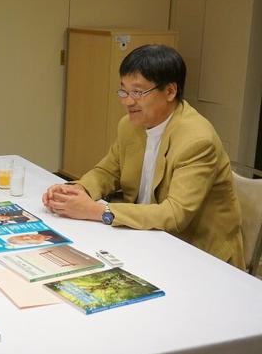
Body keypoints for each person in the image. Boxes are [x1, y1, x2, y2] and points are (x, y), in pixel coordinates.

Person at [43, 44, 245, 269]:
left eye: (138, 92)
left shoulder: (197, 140)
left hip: (197, 255)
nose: (127, 101)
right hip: (146, 240)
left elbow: (175, 215)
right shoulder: (130, 125)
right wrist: (79, 190)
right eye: (124, 91)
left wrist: (96, 210)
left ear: (170, 91)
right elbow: (108, 171)